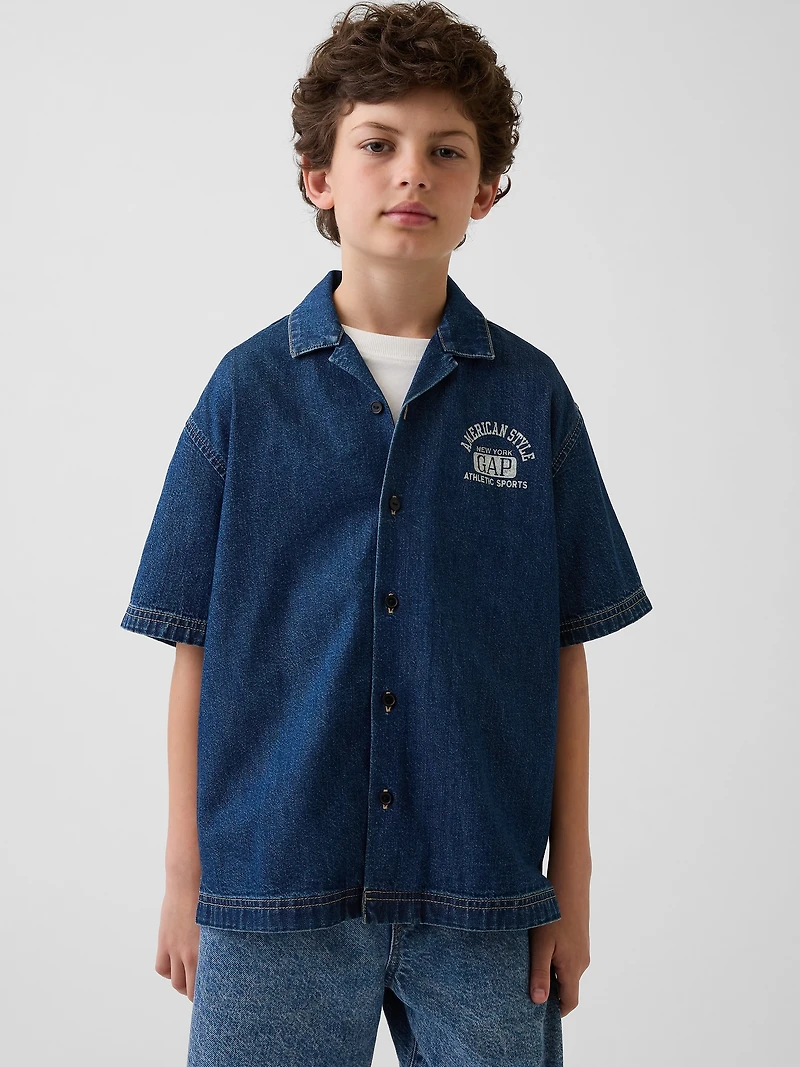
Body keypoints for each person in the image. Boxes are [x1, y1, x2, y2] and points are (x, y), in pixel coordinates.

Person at [120, 3, 653, 1064]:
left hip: (483, 891)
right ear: (318, 176)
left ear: (484, 190)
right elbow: (195, 649)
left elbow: (563, 654)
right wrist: (186, 881)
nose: (412, 172)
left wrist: (571, 886)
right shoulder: (246, 393)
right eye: (378, 144)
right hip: (272, 888)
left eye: (446, 151)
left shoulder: (531, 397)